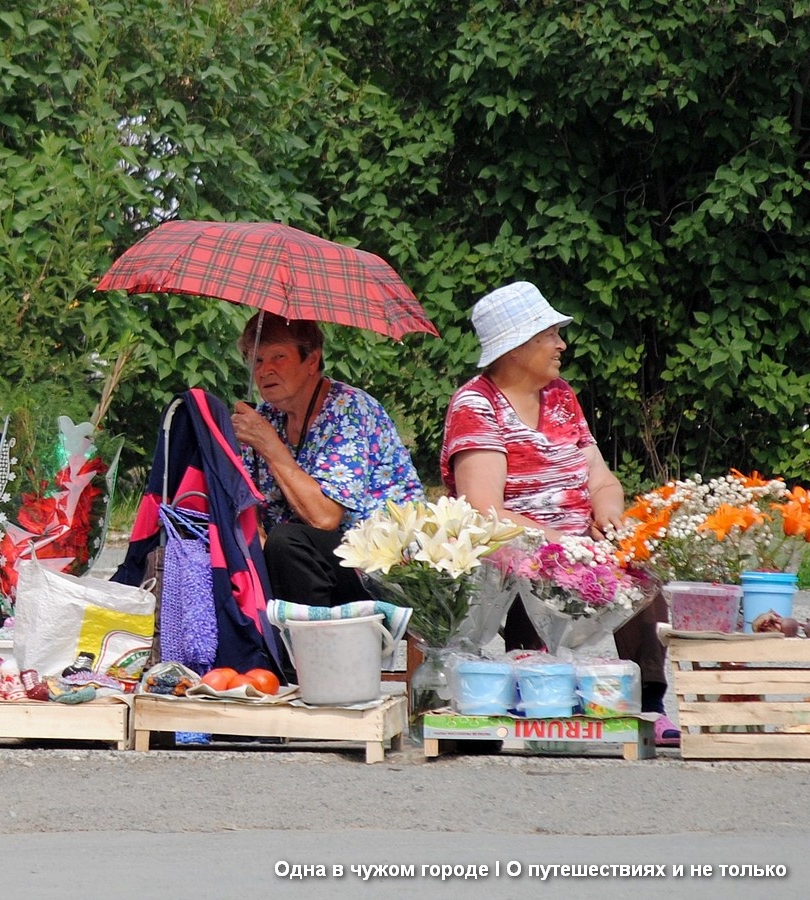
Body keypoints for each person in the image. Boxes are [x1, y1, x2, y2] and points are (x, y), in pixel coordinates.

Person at [439, 281, 677, 746]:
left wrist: (609, 516)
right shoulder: (476, 404)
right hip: (515, 549)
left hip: (577, 543)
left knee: (635, 563)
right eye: (549, 334)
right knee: (538, 568)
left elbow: (602, 479)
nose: (561, 344)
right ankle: (537, 691)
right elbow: (484, 508)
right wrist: (561, 543)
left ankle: (650, 702)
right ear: (515, 346)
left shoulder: (560, 397)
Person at [230, 314, 425, 607]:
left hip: (379, 564)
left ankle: (313, 647)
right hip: (309, 563)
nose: (265, 370)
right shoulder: (264, 418)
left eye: (278, 357)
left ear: (312, 361)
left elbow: (324, 518)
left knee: (288, 543)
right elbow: (248, 509)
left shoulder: (348, 409)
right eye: (257, 361)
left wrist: (270, 445)